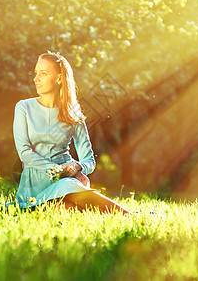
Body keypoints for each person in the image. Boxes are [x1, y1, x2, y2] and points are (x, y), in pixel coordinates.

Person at [13, 51, 130, 214]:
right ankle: (129, 215)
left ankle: (127, 217)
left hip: (68, 180)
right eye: (36, 73)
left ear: (59, 78)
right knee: (64, 191)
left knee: (69, 208)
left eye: (43, 74)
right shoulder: (24, 107)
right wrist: (58, 170)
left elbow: (89, 161)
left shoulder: (73, 113)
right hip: (35, 186)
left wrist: (77, 166)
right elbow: (24, 152)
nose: (36, 79)